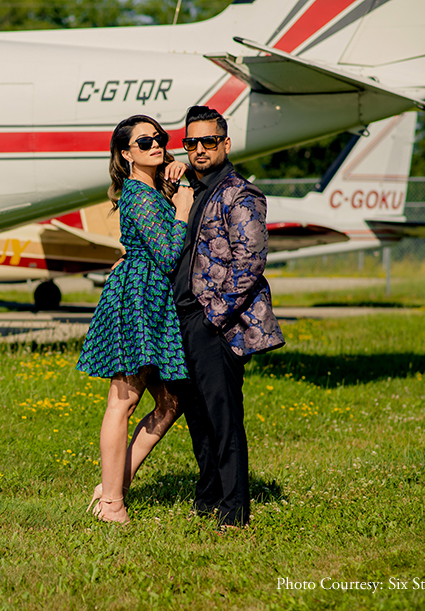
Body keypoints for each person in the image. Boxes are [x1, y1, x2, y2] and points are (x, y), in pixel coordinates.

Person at [77, 114, 193, 524]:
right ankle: (112, 504)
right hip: (138, 299)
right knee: (123, 401)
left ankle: (111, 487)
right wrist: (182, 210)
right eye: (144, 142)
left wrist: (181, 171)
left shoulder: (156, 187)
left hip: (154, 299)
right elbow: (167, 255)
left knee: (171, 402)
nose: (155, 145)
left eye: (159, 138)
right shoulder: (138, 195)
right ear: (126, 154)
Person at [173, 106, 285, 529]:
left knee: (222, 417)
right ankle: (208, 498)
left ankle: (235, 510)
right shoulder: (190, 190)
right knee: (197, 417)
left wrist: (212, 318)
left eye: (208, 141)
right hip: (181, 319)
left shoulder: (240, 194)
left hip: (216, 323)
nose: (200, 149)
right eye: (191, 142)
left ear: (225, 143)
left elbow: (249, 262)